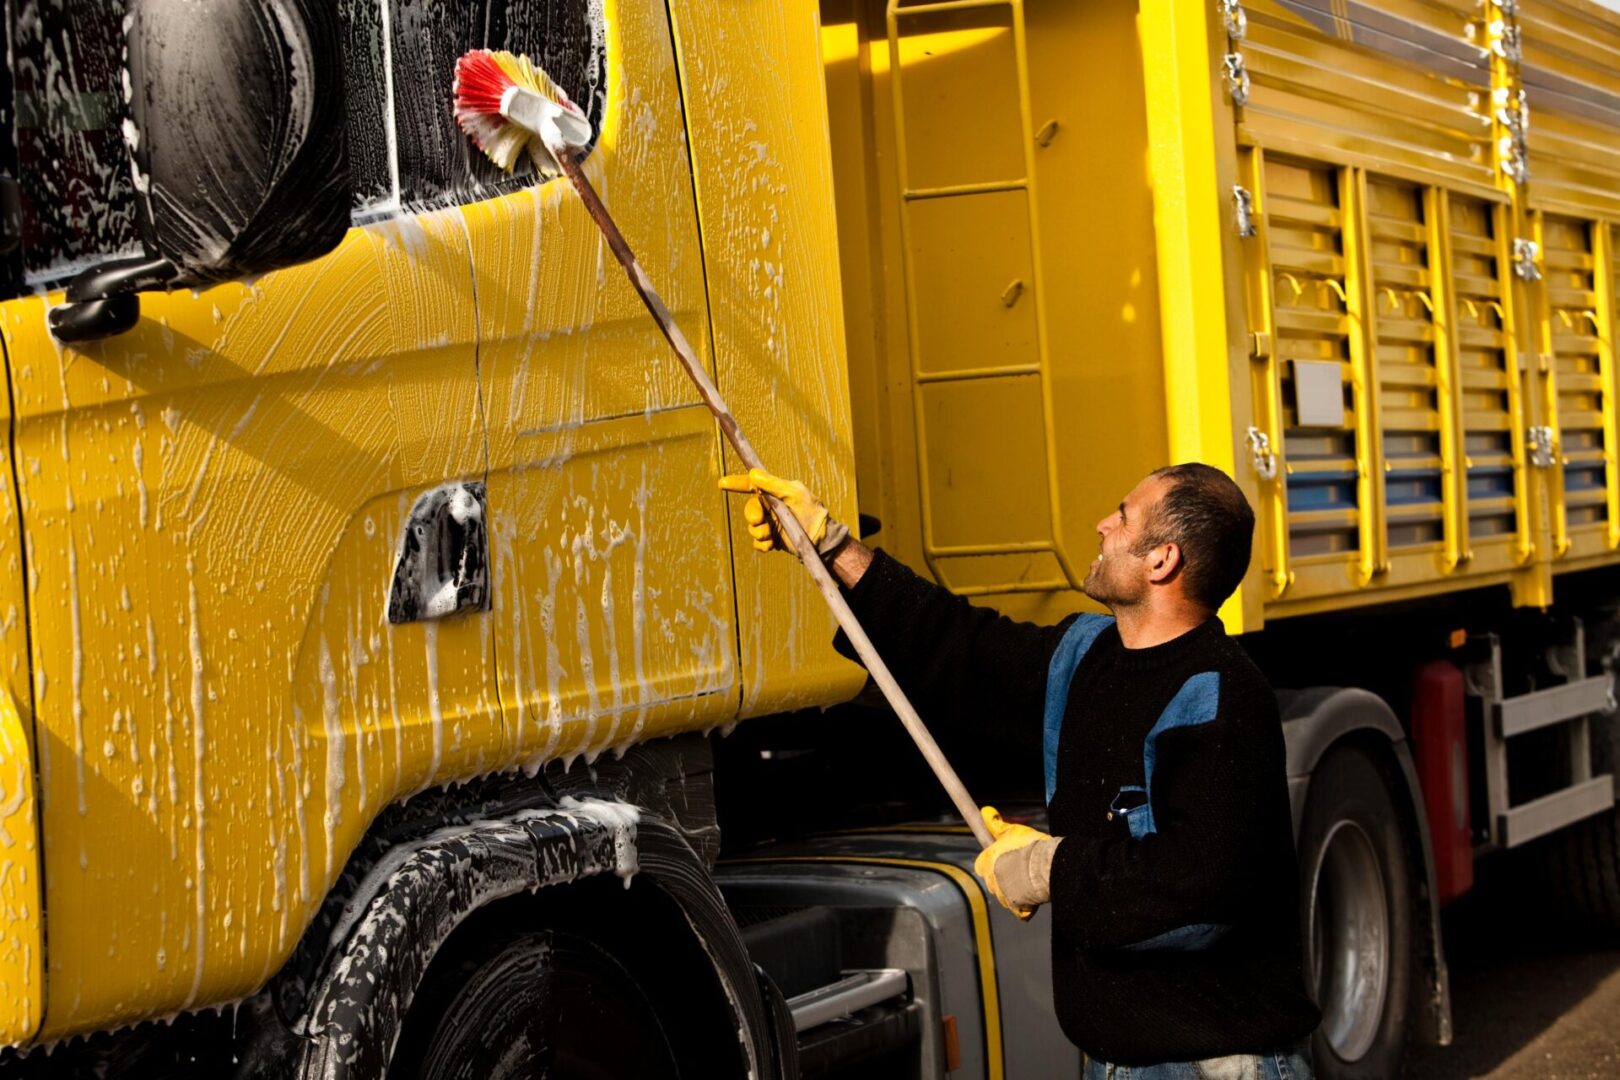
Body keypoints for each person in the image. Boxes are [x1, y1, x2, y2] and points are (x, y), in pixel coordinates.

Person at [721, 463, 1321, 1079]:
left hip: (1214, 1064)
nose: (1101, 526)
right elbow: (959, 645)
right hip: (1118, 1060)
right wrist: (830, 546)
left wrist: (1045, 867)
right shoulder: (1086, 655)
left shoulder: (1219, 694)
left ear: (1161, 561)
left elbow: (1202, 887)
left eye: (1121, 516)